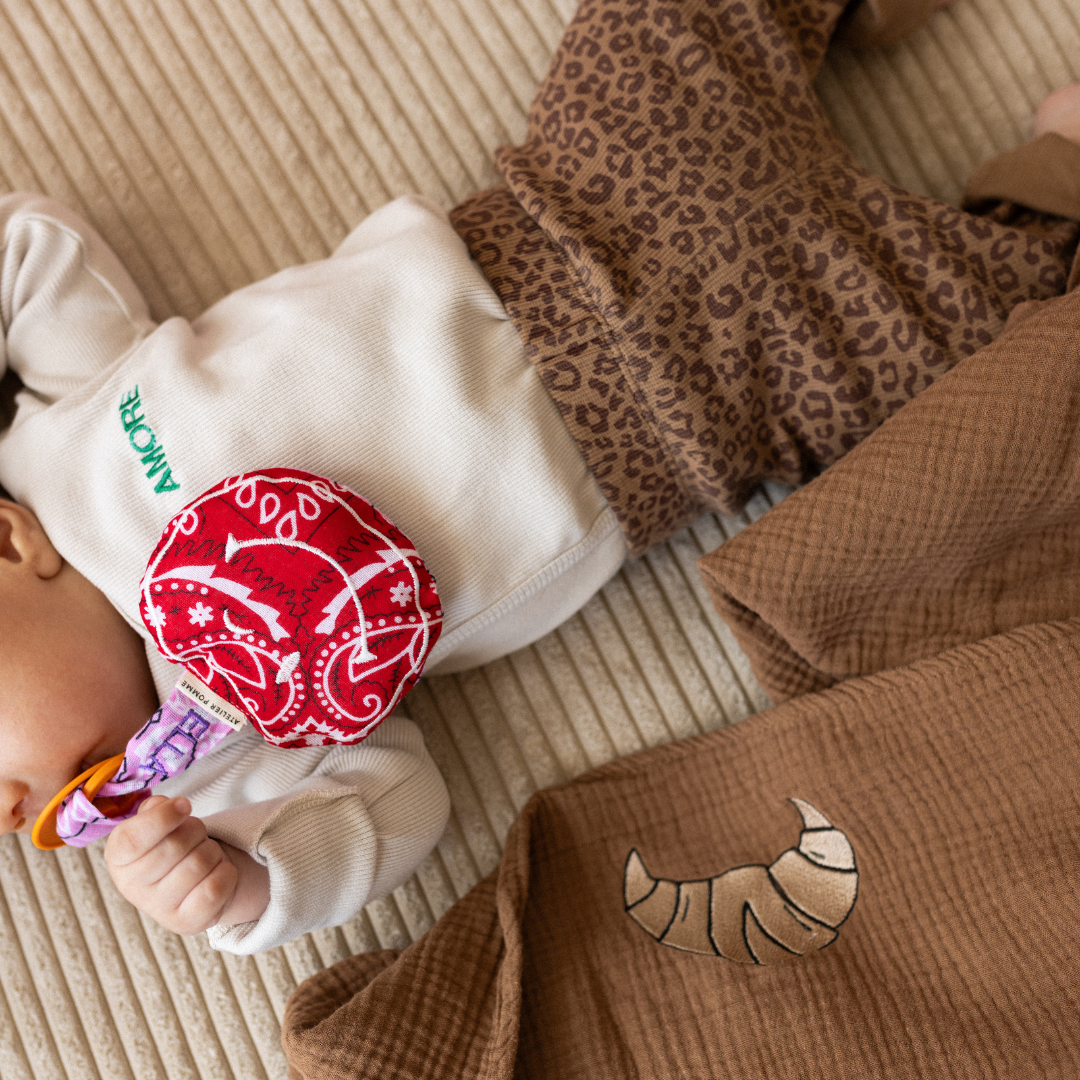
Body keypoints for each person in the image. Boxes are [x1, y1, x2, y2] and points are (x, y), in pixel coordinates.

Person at [2, 0, 1079, 955]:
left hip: (565, 210)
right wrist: (244, 883)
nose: (10, 814)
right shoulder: (211, 777)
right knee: (984, 364)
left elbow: (35, 244)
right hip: (692, 419)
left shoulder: (56, 437)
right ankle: (1051, 184)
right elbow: (398, 806)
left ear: (10, 546)